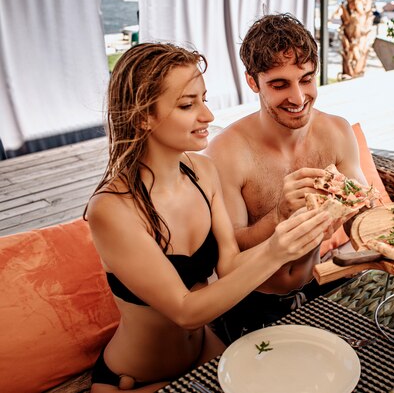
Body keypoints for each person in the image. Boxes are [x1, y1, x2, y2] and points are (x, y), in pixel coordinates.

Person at [85, 42, 331, 392]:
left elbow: (229, 266)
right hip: (135, 379)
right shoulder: (112, 209)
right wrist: (278, 250)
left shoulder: (203, 172)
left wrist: (291, 229)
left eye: (204, 99)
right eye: (188, 105)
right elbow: (186, 311)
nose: (208, 116)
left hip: (206, 354)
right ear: (143, 117)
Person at [203, 13, 367, 342]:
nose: (298, 97)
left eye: (306, 79)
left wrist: (360, 211)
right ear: (253, 82)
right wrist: (281, 215)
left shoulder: (336, 131)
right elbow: (231, 252)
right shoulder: (226, 152)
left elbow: (362, 218)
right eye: (280, 85)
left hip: (320, 280)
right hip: (251, 298)